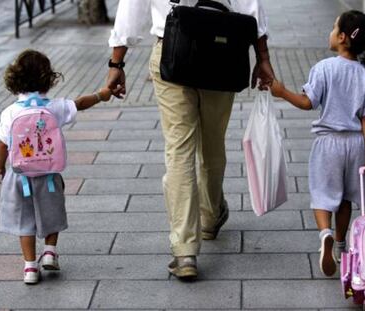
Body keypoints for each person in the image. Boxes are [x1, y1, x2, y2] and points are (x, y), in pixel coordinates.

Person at [107, 0, 275, 280]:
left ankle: (185, 250)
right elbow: (251, 7)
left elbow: (131, 9)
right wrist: (263, 57)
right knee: (212, 142)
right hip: (224, 46)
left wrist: (116, 62)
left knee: (179, 149)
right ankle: (209, 217)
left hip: (173, 47)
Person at [270, 10, 365, 277]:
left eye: (334, 28)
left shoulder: (323, 68)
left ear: (342, 38)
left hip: (327, 144)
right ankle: (342, 244)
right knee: (344, 198)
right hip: (355, 145)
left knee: (323, 194)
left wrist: (281, 91)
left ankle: (325, 234)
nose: (331, 32)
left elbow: (307, 103)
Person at [0, 49, 112, 284]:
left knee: (24, 222)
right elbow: (79, 103)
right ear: (48, 80)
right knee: (52, 212)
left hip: (19, 177)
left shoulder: (10, 112)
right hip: (48, 175)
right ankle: (49, 251)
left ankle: (30, 267)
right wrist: (101, 95)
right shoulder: (55, 107)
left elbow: (2, 143)